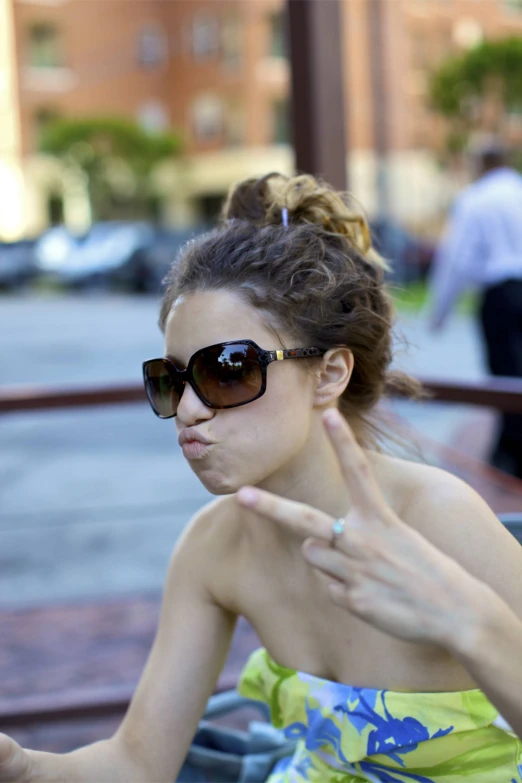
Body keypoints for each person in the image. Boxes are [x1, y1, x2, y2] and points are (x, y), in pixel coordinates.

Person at [1, 173, 522, 782]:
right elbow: (137, 763)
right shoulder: (214, 545)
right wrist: (20, 765)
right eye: (170, 380)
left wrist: (465, 618)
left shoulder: (438, 518)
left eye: (226, 371)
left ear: (329, 375)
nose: (190, 409)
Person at [427, 142, 522, 478]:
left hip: (501, 295)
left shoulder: (476, 199)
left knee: (505, 375)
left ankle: (512, 454)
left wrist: (439, 312)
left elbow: (456, 259)